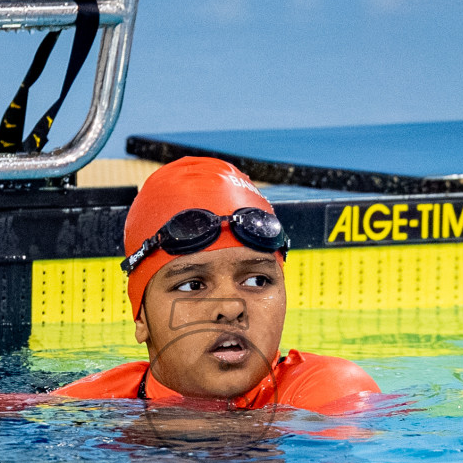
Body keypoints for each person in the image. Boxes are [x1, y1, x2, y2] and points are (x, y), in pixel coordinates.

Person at [52, 157, 380, 414]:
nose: (231, 308)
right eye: (193, 286)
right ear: (141, 319)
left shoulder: (330, 394)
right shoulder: (86, 404)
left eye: (257, 280)